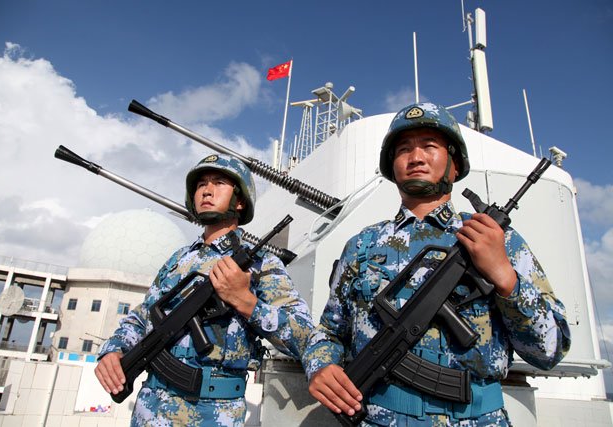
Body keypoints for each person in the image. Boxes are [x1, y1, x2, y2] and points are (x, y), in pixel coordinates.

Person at [302, 102, 571, 426]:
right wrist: (320, 364)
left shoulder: (497, 239)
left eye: (429, 146)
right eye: (404, 149)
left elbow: (549, 351)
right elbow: (330, 331)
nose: (416, 157)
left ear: (455, 165)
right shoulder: (362, 246)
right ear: (392, 166)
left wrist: (505, 277)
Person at [95, 153, 314, 426]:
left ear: (240, 200)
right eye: (201, 185)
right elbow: (143, 316)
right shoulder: (178, 260)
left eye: (219, 183)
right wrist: (114, 349)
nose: (207, 190)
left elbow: (304, 337)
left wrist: (246, 302)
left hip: (212, 414)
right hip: (149, 410)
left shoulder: (262, 265)